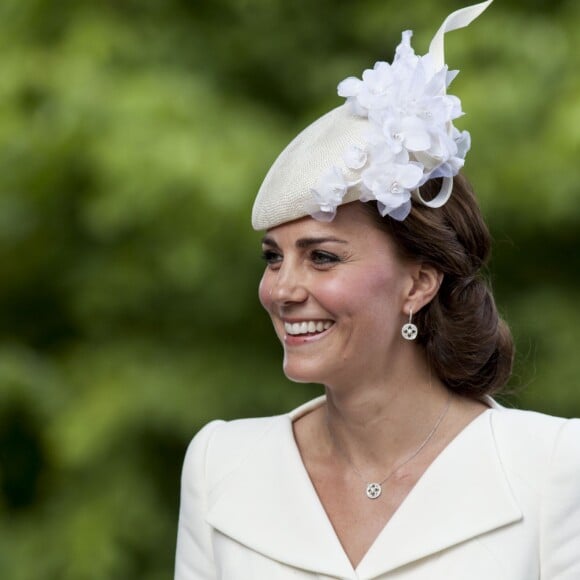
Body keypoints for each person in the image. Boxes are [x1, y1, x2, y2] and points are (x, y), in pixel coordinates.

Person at [174, 1, 580, 578]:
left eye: (322, 257)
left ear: (418, 282)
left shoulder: (553, 467)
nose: (282, 289)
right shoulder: (221, 463)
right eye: (273, 258)